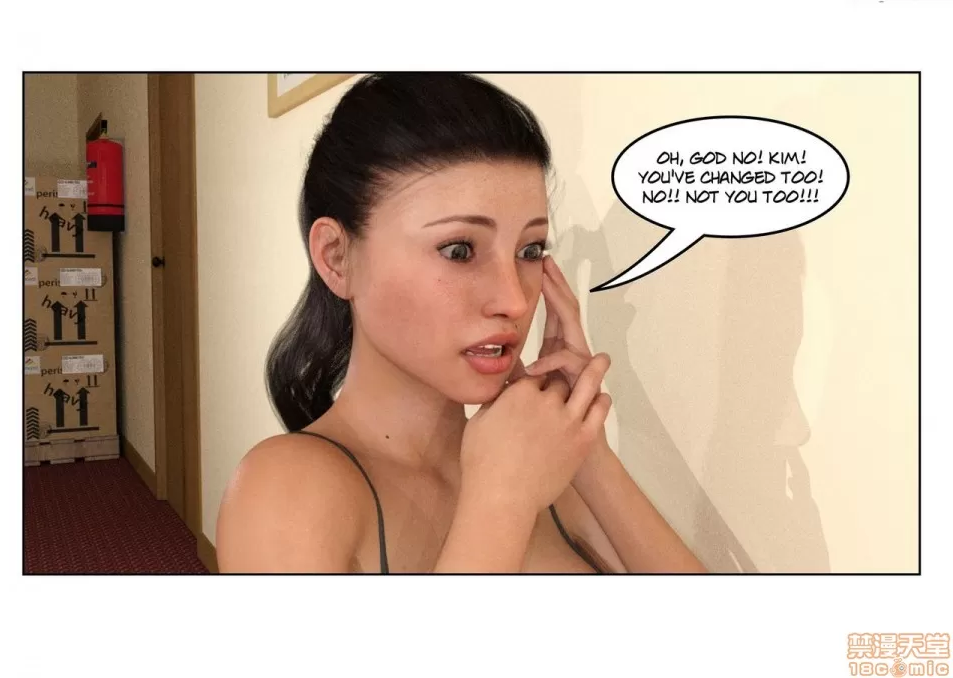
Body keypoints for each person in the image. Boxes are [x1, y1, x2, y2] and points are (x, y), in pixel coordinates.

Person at [215, 73, 707, 574]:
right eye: (459, 250)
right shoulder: (284, 492)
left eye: (530, 250)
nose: (515, 300)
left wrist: (588, 450)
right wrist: (501, 501)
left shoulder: (542, 466)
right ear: (337, 258)